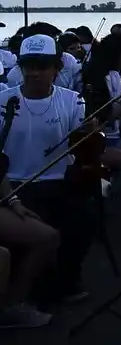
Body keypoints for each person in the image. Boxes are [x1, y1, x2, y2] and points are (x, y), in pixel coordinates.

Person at [0, 35, 94, 306]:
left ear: (57, 67)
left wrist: (89, 135)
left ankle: (64, 280)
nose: (34, 72)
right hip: (13, 184)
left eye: (42, 65)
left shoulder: (74, 100)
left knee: (84, 216)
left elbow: (79, 145)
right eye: (28, 65)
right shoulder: (3, 100)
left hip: (58, 179)